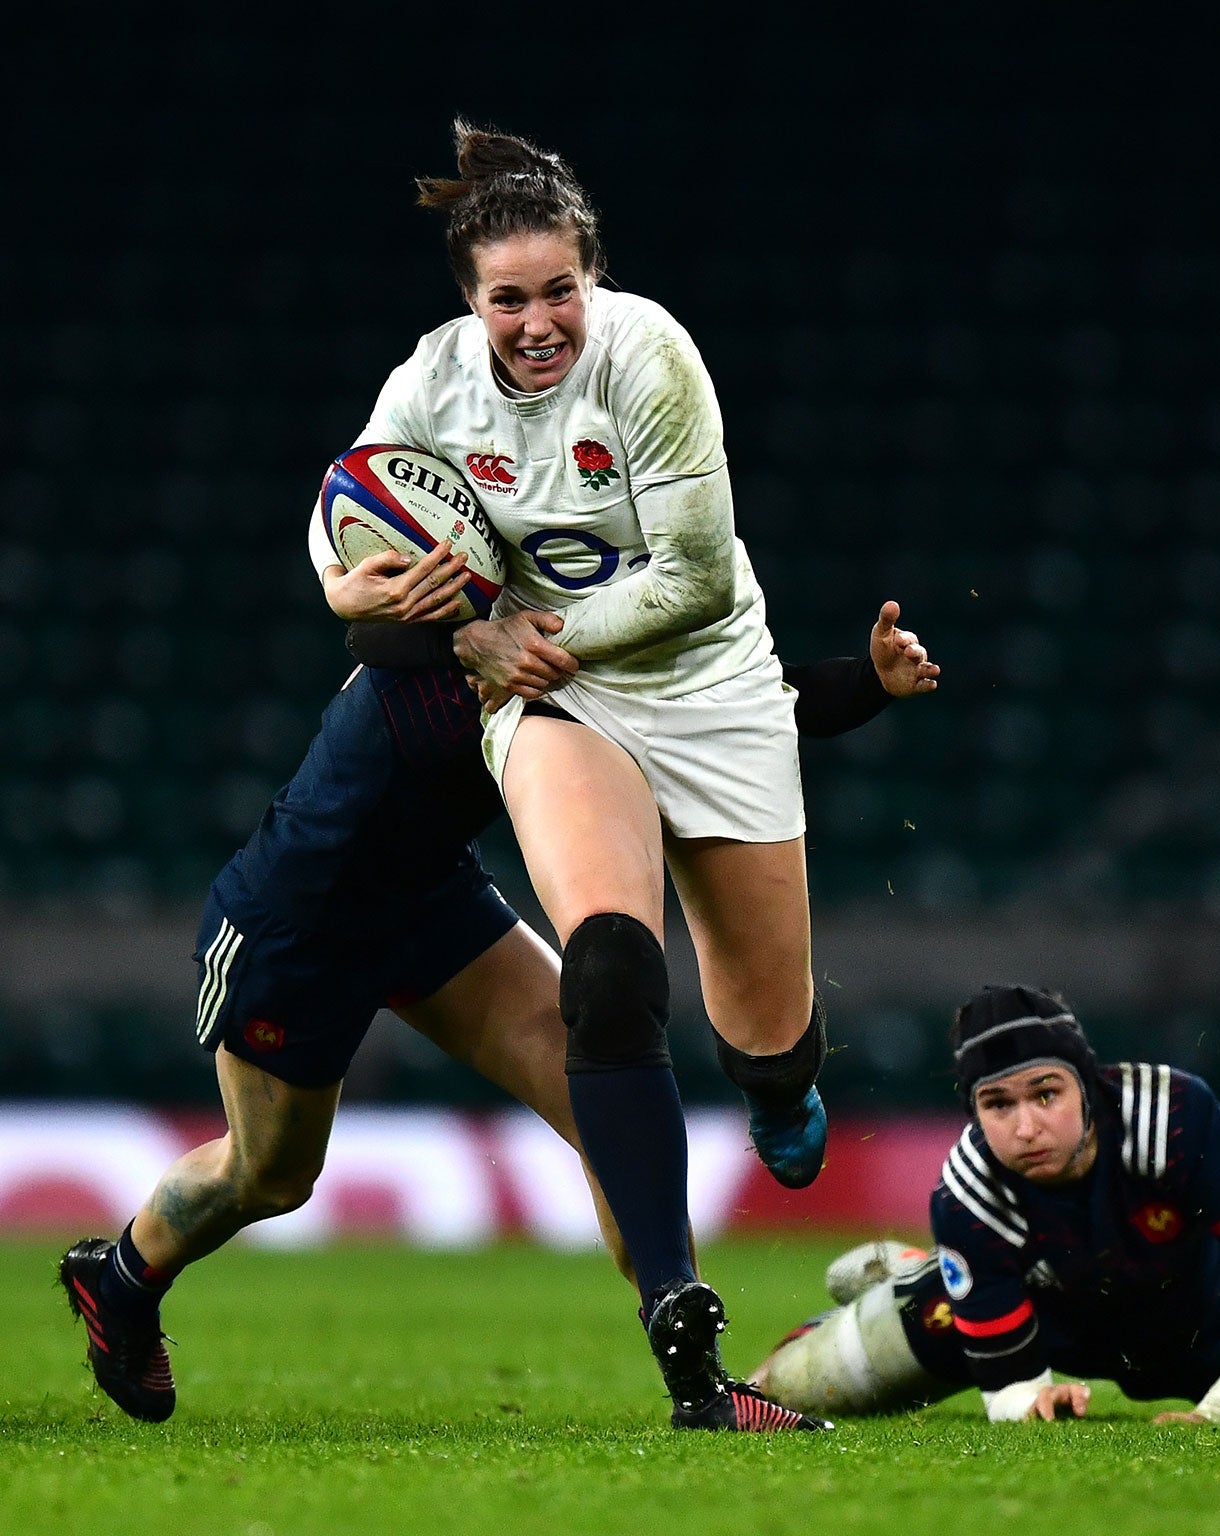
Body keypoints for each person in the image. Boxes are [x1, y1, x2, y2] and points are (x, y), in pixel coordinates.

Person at [60, 593, 938, 1433]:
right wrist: (455, 632)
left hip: (435, 902)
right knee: (272, 1175)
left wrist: (863, 680)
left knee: (602, 1081)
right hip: (303, 919)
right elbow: (376, 633)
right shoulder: (451, 610)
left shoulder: (570, 608)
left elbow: (711, 706)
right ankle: (123, 1280)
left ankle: (701, 1382)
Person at [314, 117, 855, 1427]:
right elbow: (348, 540)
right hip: (557, 702)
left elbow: (700, 579)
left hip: (709, 685)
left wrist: (521, 637)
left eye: (561, 288)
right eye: (511, 298)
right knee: (610, 972)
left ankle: (780, 1081)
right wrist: (407, 612)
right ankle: (678, 1318)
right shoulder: (432, 386)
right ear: (470, 301)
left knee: (761, 1036)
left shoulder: (651, 355)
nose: (540, 322)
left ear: (591, 276)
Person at [748, 985, 1220, 1425]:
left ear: (1088, 1083)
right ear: (974, 1110)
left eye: (1046, 1093)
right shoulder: (968, 1194)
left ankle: (924, 1267)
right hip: (1045, 1317)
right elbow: (1009, 1390)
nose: (1026, 1127)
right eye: (997, 1104)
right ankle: (926, 1280)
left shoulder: (1175, 1117)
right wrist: (1031, 1399)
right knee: (792, 1387)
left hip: (1185, 1314)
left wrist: (1219, 1413)